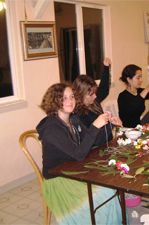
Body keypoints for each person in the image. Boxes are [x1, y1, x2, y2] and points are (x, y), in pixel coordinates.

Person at [36, 83, 125, 225]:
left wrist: (110, 125)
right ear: (54, 101)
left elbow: (95, 140)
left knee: (111, 182)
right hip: (58, 179)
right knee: (106, 191)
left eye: (72, 96)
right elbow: (79, 154)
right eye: (63, 98)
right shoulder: (51, 128)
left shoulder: (73, 120)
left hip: (74, 169)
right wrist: (95, 126)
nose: (70, 101)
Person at [73, 58, 123, 140]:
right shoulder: (79, 115)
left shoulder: (94, 102)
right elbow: (97, 140)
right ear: (81, 95)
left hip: (107, 143)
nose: (95, 96)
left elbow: (104, 89)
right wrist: (111, 125)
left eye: (95, 93)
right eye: (91, 94)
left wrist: (106, 68)